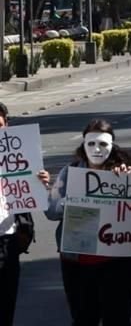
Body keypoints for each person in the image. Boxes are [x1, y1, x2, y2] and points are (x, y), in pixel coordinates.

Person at [45, 119, 131, 326]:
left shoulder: (126, 172)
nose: (97, 149)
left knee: (117, 318)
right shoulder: (69, 173)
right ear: (83, 145)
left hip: (119, 261)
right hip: (78, 261)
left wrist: (128, 183)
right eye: (91, 144)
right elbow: (52, 212)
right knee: (83, 318)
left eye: (103, 144)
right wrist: (79, 199)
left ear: (112, 146)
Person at [0, 104, 49, 326]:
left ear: (6, 126)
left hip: (8, 244)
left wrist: (41, 183)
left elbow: (38, 198)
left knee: (6, 307)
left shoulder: (18, 157)